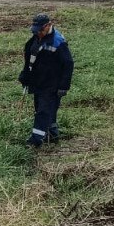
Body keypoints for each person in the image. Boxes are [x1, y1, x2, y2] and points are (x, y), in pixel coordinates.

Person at [18, 13, 73, 148]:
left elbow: (68, 64)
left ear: (48, 26)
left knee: (43, 110)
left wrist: (63, 86)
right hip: (38, 81)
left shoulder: (58, 42)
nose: (39, 33)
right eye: (36, 31)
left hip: (52, 84)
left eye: (40, 30)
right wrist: (25, 75)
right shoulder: (35, 38)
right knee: (43, 108)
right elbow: (30, 59)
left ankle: (35, 140)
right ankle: (52, 133)